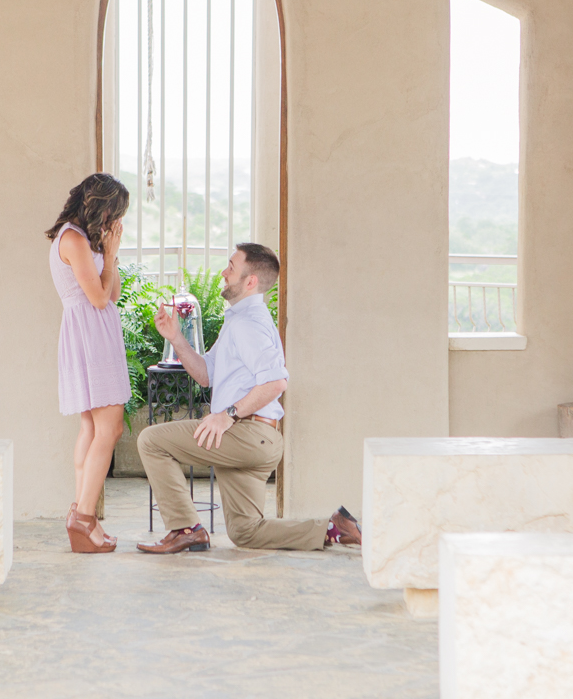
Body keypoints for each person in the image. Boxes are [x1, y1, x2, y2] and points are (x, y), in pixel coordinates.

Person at [136, 243, 362, 554]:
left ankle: (184, 529)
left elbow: (276, 381)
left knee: (151, 441)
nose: (223, 273)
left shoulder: (249, 323)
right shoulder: (238, 321)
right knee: (246, 532)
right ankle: (333, 528)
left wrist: (226, 414)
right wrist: (176, 338)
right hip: (256, 437)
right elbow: (205, 374)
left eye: (231, 267)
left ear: (250, 280)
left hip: (248, 432)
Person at [46, 173, 132, 554]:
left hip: (97, 332)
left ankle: (82, 517)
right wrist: (109, 256)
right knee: (108, 428)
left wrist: (110, 254)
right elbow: (98, 299)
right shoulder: (72, 238)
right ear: (100, 204)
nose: (116, 221)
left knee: (92, 428)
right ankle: (83, 517)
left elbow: (111, 293)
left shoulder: (87, 239)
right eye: (115, 212)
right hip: (88, 333)